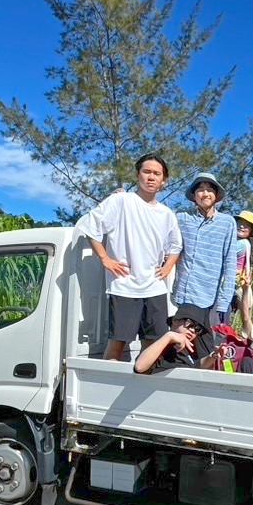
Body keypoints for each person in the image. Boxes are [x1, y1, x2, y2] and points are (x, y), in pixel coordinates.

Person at [76, 153, 183, 361]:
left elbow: (176, 246)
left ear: (164, 181)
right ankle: (109, 387)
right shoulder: (120, 201)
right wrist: (105, 259)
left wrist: (168, 266)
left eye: (157, 174)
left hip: (154, 287)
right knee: (118, 341)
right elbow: (91, 227)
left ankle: (141, 387)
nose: (151, 177)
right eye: (147, 172)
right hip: (124, 285)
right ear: (137, 175)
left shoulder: (167, 214)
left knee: (152, 343)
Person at [173, 172, 237, 328]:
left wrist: (224, 301)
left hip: (210, 299)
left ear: (216, 195)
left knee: (207, 349)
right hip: (183, 295)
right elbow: (156, 219)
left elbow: (230, 263)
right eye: (200, 189)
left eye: (210, 189)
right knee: (179, 345)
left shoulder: (227, 223)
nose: (205, 193)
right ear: (194, 195)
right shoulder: (182, 218)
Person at [133, 305, 219, 374]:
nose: (193, 330)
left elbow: (195, 366)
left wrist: (213, 356)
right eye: (190, 324)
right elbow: (140, 367)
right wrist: (169, 336)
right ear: (175, 321)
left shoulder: (188, 348)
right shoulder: (161, 344)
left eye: (197, 329)